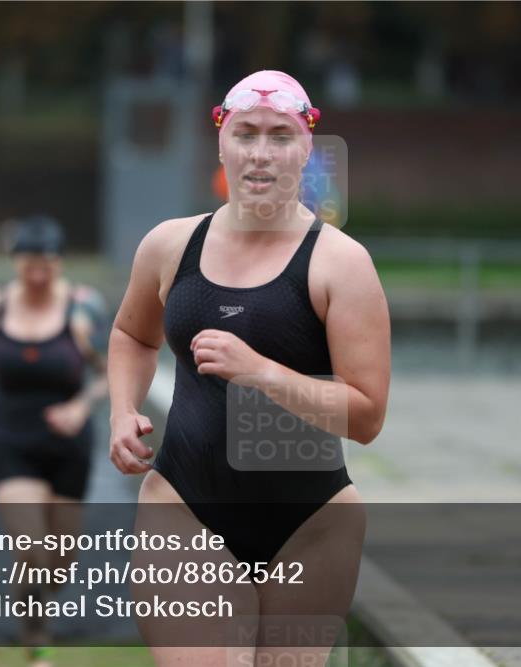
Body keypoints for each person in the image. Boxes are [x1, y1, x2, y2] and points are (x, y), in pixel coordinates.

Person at [107, 70, 391, 666]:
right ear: (222, 142)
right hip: (185, 508)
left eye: (280, 136)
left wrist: (261, 372)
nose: (261, 153)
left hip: (311, 526)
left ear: (306, 147)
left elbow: (366, 417)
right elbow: (133, 334)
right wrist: (122, 410)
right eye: (246, 134)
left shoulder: (341, 264)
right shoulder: (169, 246)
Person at [0, 214, 109, 667]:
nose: (38, 275)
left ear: (60, 262)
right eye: (29, 265)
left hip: (68, 444)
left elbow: (110, 372)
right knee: (32, 547)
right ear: (15, 262)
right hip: (9, 439)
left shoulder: (83, 309)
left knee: (60, 563)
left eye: (47, 265)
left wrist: (81, 407)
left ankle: (30, 603)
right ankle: (37, 645)